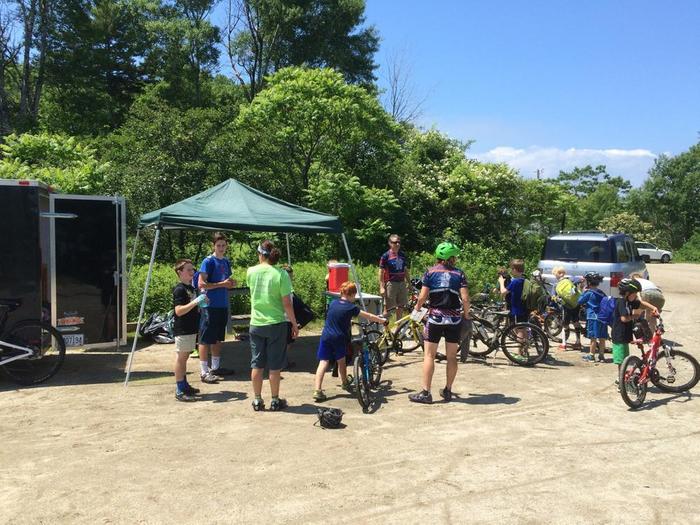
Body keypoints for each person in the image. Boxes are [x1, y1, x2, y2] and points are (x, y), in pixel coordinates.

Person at [409, 242, 470, 404]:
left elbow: (422, 297)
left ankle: (426, 393)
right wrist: (467, 315)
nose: (456, 259)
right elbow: (465, 298)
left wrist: (416, 309)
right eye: (454, 256)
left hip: (435, 318)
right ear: (450, 257)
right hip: (454, 319)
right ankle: (448, 390)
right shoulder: (459, 274)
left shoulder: (430, 272)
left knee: (429, 355)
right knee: (451, 357)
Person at [247, 240, 298, 411]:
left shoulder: (251, 272)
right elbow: (287, 303)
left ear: (260, 254)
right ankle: (275, 400)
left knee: (257, 364)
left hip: (256, 323)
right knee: (275, 366)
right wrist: (294, 324)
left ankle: (257, 400)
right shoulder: (281, 274)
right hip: (276, 323)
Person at [313, 281, 386, 402]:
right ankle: (345, 382)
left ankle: (317, 390)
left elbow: (336, 316)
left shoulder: (333, 303)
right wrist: (381, 320)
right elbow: (368, 316)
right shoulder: (351, 307)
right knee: (341, 361)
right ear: (351, 294)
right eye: (354, 296)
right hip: (339, 337)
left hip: (326, 335)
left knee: (323, 362)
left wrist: (348, 321)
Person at [197, 232, 236, 383]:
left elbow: (227, 281)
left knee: (218, 338)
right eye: (218, 245)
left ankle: (215, 367)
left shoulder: (226, 262)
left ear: (226, 246)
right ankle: (203, 371)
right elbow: (201, 284)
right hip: (209, 305)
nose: (221, 248)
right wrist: (222, 284)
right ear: (213, 246)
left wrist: (231, 283)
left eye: (223, 245)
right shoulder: (208, 262)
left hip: (222, 305)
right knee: (205, 338)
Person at [612, 278, 659, 386]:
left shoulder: (629, 301)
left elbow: (641, 303)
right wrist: (634, 316)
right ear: (628, 293)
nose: (636, 296)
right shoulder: (621, 302)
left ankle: (622, 378)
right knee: (622, 361)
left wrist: (653, 307)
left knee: (624, 358)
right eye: (635, 293)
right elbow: (624, 319)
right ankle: (621, 381)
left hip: (625, 334)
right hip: (619, 335)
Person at [172, 259, 204, 401]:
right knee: (181, 358)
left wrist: (201, 303)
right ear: (180, 272)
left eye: (193, 269)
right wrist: (195, 302)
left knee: (184, 359)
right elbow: (178, 311)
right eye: (189, 270)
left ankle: (184, 385)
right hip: (183, 329)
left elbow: (192, 307)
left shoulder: (190, 288)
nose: (192, 272)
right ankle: (179, 389)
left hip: (191, 328)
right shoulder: (179, 289)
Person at [577, 272, 608, 362]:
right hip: (602, 317)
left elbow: (580, 301)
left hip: (592, 317)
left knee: (593, 337)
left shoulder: (589, 293)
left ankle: (591, 355)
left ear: (589, 282)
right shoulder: (601, 293)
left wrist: (582, 291)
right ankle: (601, 356)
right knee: (602, 337)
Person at [378, 234, 410, 319]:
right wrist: (381, 287)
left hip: (402, 283)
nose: (398, 244)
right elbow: (381, 271)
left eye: (399, 242)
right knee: (389, 308)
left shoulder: (402, 254)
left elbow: (405, 269)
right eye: (395, 242)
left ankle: (398, 328)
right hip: (391, 283)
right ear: (390, 243)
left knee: (401, 306)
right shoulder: (386, 255)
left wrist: (409, 283)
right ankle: (386, 329)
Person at [553, 266, 583, 350]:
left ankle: (564, 344)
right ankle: (578, 342)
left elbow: (554, 297)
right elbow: (581, 279)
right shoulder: (571, 279)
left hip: (566, 306)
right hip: (576, 304)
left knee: (565, 324)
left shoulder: (556, 285)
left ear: (556, 275)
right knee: (576, 322)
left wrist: (557, 299)